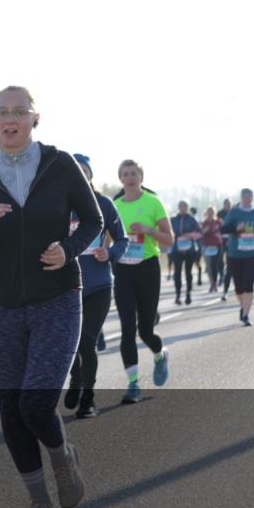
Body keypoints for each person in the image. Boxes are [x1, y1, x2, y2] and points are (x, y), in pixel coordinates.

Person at [0, 85, 101, 508]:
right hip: (4, 304)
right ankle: (39, 503)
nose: (10, 119)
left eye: (19, 111)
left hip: (58, 298)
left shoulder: (60, 165)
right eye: (2, 112)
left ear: (35, 119)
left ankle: (63, 457)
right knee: (9, 405)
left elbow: (93, 220)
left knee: (36, 403)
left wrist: (69, 249)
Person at [62, 154, 127, 420]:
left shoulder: (103, 204)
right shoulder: (59, 203)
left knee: (87, 341)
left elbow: (122, 240)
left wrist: (109, 253)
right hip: (66, 285)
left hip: (98, 284)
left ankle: (88, 398)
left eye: (83, 170)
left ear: (90, 175)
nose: (79, 174)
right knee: (69, 343)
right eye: (74, 170)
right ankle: (76, 378)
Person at [112, 160, 174, 403]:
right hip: (123, 269)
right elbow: (106, 239)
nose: (129, 177)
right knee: (127, 328)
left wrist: (148, 230)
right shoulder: (114, 206)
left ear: (141, 177)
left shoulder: (153, 202)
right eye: (125, 174)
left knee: (145, 330)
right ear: (120, 179)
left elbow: (169, 239)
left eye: (133, 173)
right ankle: (133, 383)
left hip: (147, 268)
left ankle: (160, 354)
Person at [221, 188, 254, 327]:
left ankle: (246, 314)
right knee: (238, 287)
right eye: (244, 196)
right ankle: (243, 306)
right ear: (241, 197)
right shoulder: (234, 212)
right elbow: (223, 229)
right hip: (235, 254)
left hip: (253, 254)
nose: (247, 199)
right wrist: (236, 228)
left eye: (249, 196)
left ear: (252, 197)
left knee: (248, 284)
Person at [169, 201, 202, 305]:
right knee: (177, 272)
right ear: (178, 207)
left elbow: (199, 233)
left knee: (188, 272)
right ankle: (178, 295)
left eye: (185, 206)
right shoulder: (173, 220)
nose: (183, 208)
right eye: (181, 206)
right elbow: (168, 232)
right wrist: (175, 237)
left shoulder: (192, 219)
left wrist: (190, 235)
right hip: (177, 249)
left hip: (190, 250)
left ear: (187, 207)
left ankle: (188, 293)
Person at [200, 207, 223, 293]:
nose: (210, 213)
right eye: (209, 212)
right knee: (209, 266)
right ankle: (212, 284)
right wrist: (204, 231)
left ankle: (215, 283)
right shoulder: (204, 223)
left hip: (217, 246)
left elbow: (223, 232)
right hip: (206, 246)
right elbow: (200, 235)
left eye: (212, 212)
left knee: (215, 266)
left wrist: (219, 236)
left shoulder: (219, 222)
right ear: (206, 213)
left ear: (215, 213)